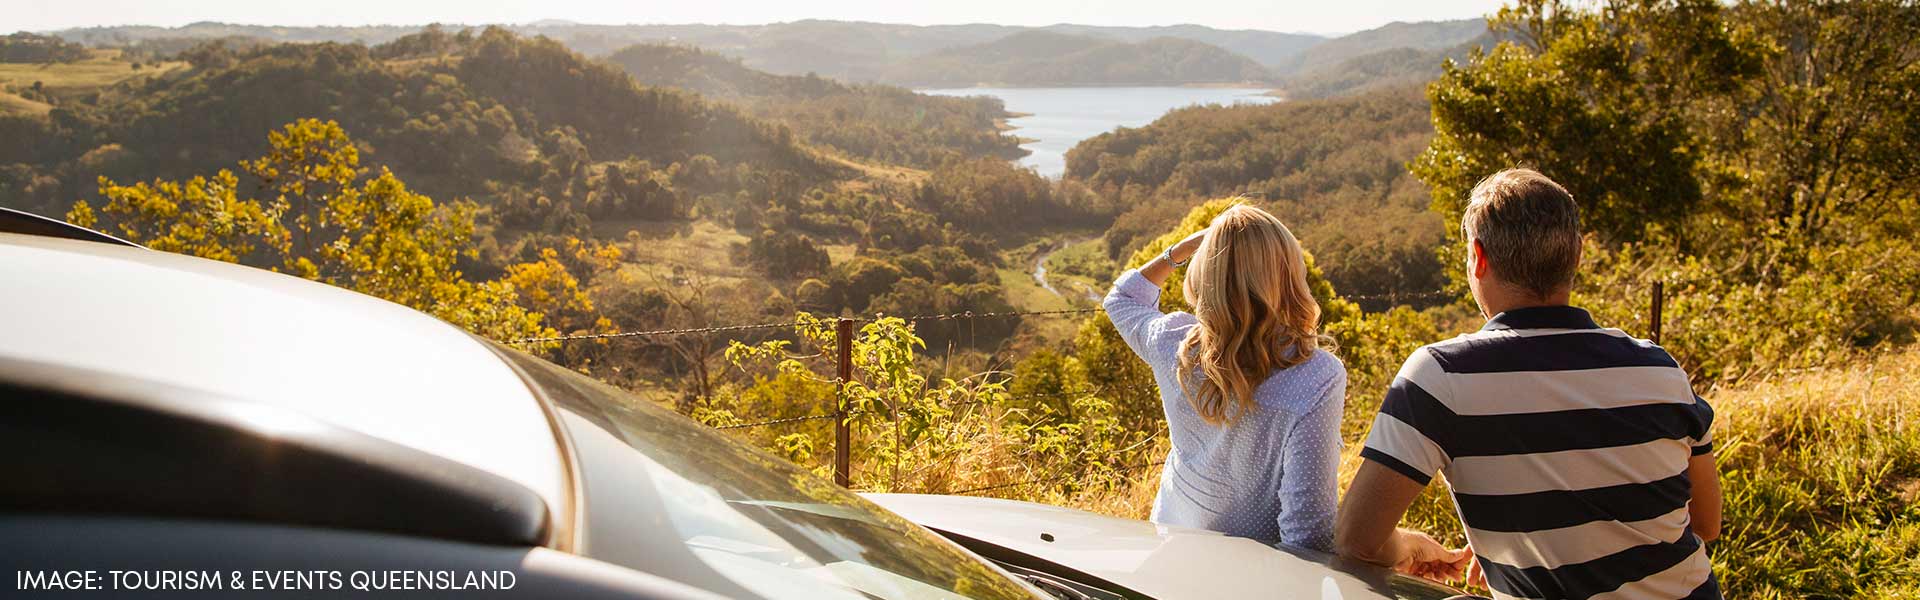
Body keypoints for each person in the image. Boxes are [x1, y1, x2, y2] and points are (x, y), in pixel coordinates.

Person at [1334, 169, 1723, 599]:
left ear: (1478, 258)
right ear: (1576, 256)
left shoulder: (1441, 376)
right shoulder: (1659, 369)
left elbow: (1357, 540)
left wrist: (1409, 545)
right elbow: (1706, 523)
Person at [1103, 203, 1346, 551]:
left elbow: (1122, 298)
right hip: (1252, 575)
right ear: (1289, 275)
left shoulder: (1173, 343)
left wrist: (1185, 249)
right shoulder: (1316, 376)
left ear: (1205, 274)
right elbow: (1309, 535)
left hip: (1170, 553)